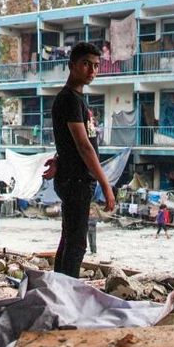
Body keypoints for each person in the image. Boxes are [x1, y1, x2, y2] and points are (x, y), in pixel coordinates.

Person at [47, 42, 116, 278]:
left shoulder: (77, 99)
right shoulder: (69, 99)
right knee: (76, 244)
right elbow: (84, 147)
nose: (92, 70)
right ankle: (67, 297)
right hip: (76, 180)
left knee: (69, 239)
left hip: (74, 177)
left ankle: (60, 292)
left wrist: (59, 158)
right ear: (72, 65)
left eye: (96, 66)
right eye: (86, 64)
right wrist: (106, 185)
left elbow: (69, 142)